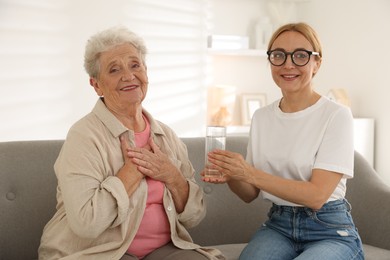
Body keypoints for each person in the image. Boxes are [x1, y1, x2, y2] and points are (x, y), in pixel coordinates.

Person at [38, 26, 223, 260]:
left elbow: (194, 217)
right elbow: (86, 223)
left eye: (135, 65)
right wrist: (131, 172)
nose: (128, 75)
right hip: (97, 251)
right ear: (96, 85)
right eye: (114, 70)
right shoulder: (83, 137)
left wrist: (172, 176)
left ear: (146, 71)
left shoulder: (166, 136)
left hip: (163, 249)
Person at [203, 22, 364, 260]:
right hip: (279, 226)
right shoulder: (262, 117)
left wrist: (248, 173)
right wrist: (232, 175)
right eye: (278, 55)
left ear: (316, 63)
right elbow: (249, 193)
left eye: (300, 55)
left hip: (329, 228)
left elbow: (317, 196)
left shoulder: (336, 115)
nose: (288, 64)